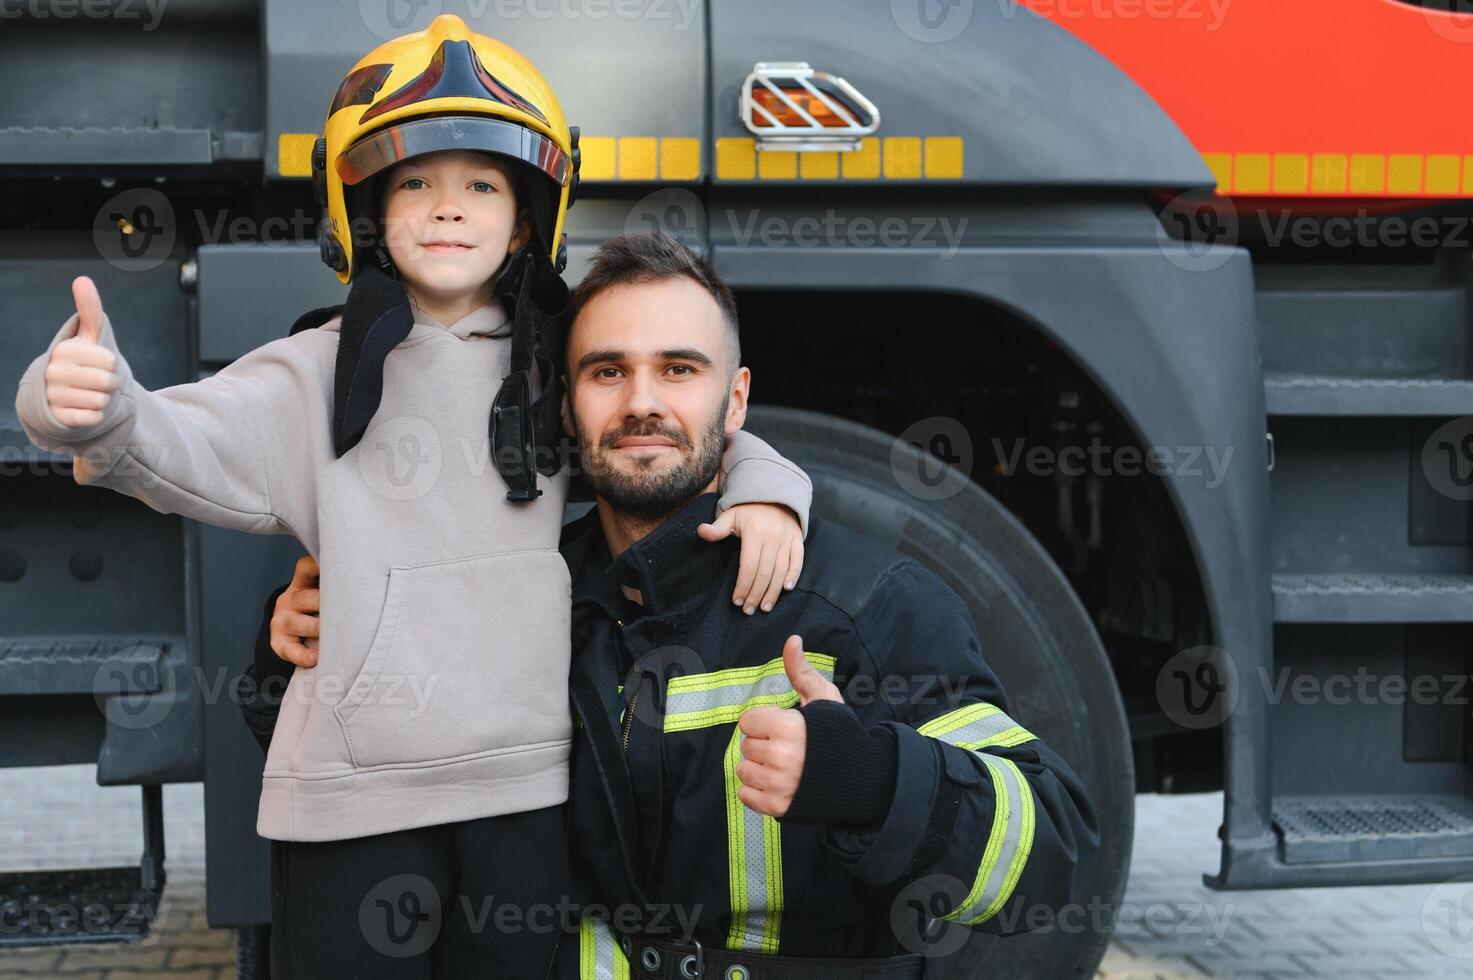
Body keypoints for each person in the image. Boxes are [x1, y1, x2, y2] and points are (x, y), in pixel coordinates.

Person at [13, 18, 810, 978]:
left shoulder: (551, 368)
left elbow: (666, 435)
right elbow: (171, 440)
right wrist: (89, 408)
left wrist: (768, 491)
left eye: (481, 184)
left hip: (524, 796)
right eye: (414, 184)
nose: (447, 208)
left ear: (527, 221)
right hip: (352, 802)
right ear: (363, 213)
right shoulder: (312, 373)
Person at [254, 233, 1101, 979]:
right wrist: (290, 657)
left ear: (733, 400)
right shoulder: (516, 590)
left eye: (678, 370)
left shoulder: (864, 607)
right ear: (563, 403)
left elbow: (1055, 858)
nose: (642, 403)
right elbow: (380, 771)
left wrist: (871, 779)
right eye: (607, 371)